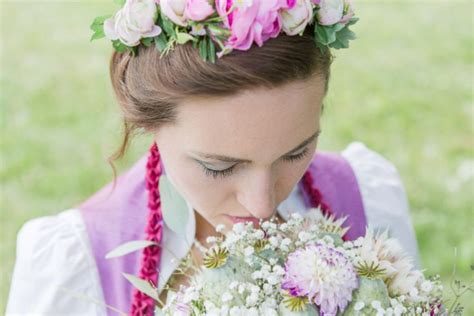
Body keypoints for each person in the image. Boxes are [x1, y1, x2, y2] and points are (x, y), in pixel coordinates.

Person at [6, 1, 421, 315]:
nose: (262, 204)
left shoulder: (365, 197)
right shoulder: (75, 266)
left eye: (296, 152)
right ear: (147, 122)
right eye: (218, 166)